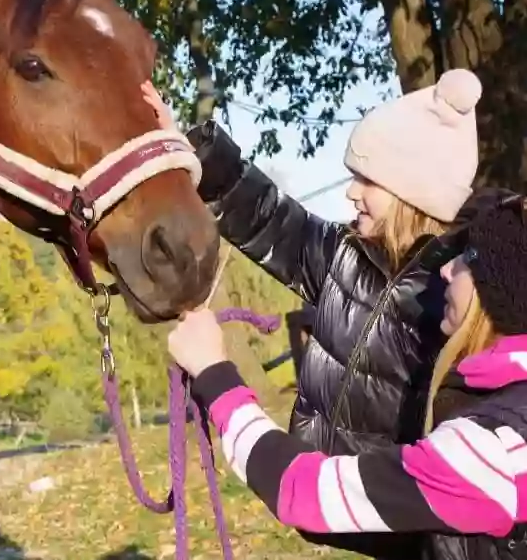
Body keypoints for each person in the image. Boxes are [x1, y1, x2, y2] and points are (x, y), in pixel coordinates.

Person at [142, 68, 486, 558]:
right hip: (323, 495)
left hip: (404, 519)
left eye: (367, 179)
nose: (350, 192)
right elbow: (264, 214)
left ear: (413, 192)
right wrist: (191, 153)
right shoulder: (343, 255)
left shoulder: (457, 295)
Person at [168, 195, 527, 560]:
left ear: (501, 290)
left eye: (468, 258)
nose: (448, 269)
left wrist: (214, 375)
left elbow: (302, 490)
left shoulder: (488, 454)